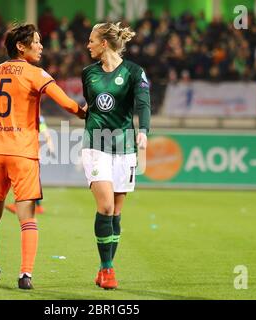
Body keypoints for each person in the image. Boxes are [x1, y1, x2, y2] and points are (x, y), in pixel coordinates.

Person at [0, 23, 86, 289]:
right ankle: (25, 275)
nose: (41, 46)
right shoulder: (36, 73)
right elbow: (66, 103)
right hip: (22, 154)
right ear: (20, 46)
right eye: (36, 42)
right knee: (28, 218)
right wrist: (82, 112)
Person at [81, 22, 151, 289]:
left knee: (117, 214)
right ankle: (109, 270)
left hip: (125, 147)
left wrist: (143, 130)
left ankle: (103, 268)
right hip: (95, 144)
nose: (87, 45)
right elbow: (92, 105)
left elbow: (143, 103)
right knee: (106, 207)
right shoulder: (88, 73)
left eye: (91, 40)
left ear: (104, 43)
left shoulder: (134, 72)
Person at [5, 115, 55, 214]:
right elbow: (47, 135)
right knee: (29, 180)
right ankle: (36, 206)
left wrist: (50, 145)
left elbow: (46, 134)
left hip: (28, 153)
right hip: (29, 153)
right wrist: (50, 146)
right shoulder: (38, 118)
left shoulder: (34, 117)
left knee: (24, 180)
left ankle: (20, 205)